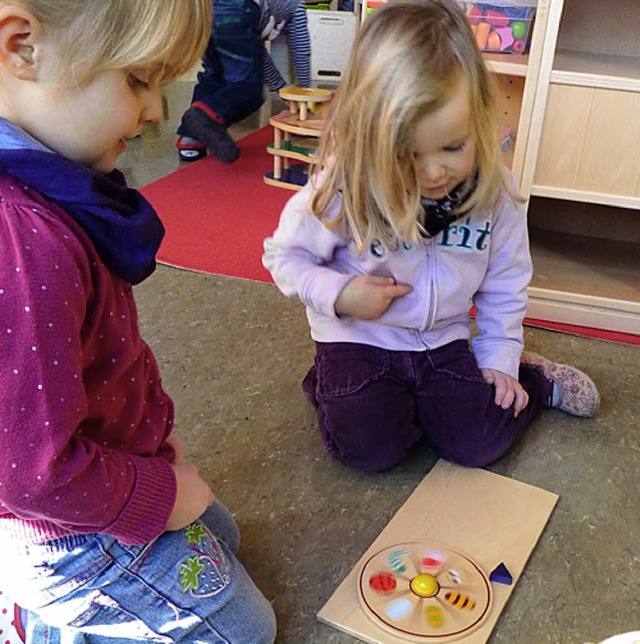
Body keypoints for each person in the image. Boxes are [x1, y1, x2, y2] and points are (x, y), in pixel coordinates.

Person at [0, 1, 276, 642]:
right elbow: (29, 473)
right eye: (137, 80)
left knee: (224, 536)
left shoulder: (50, 183)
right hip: (64, 536)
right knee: (244, 630)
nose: (156, 112)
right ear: (22, 47)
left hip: (97, 467)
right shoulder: (21, 237)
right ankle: (43, 617)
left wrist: (151, 455)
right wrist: (153, 492)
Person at [262, 0, 600, 473]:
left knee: (479, 444)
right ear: (368, 135)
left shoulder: (494, 192)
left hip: (443, 340)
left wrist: (501, 356)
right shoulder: (345, 183)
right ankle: (328, 380)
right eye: (408, 154)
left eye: (453, 147)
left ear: (479, 120)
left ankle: (535, 379)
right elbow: (283, 257)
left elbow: (506, 282)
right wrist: (339, 295)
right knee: (369, 452)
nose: (434, 171)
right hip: (357, 338)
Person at [176, 0, 311, 163]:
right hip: (237, 10)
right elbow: (301, 50)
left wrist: (281, 87)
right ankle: (206, 114)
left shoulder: (278, 8)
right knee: (248, 90)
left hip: (201, 14)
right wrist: (304, 92)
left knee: (214, 79)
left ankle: (190, 140)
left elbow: (258, 52)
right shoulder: (297, 6)